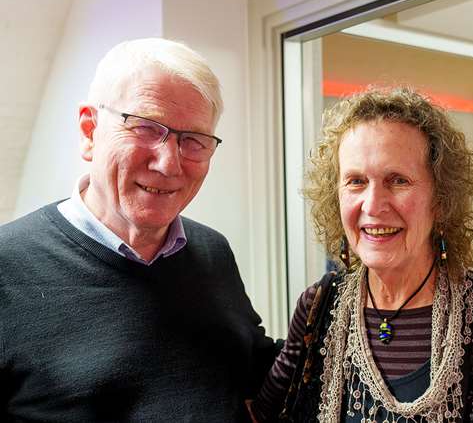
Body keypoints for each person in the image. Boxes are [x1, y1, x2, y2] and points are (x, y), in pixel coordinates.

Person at [0, 38, 277, 422]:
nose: (168, 163)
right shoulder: (7, 266)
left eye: (193, 140)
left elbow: (258, 369)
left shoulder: (212, 251)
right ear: (89, 131)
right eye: (146, 128)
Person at [248, 87, 473, 422]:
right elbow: (261, 414)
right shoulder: (317, 307)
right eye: (356, 181)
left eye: (398, 180)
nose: (372, 205)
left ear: (442, 198)